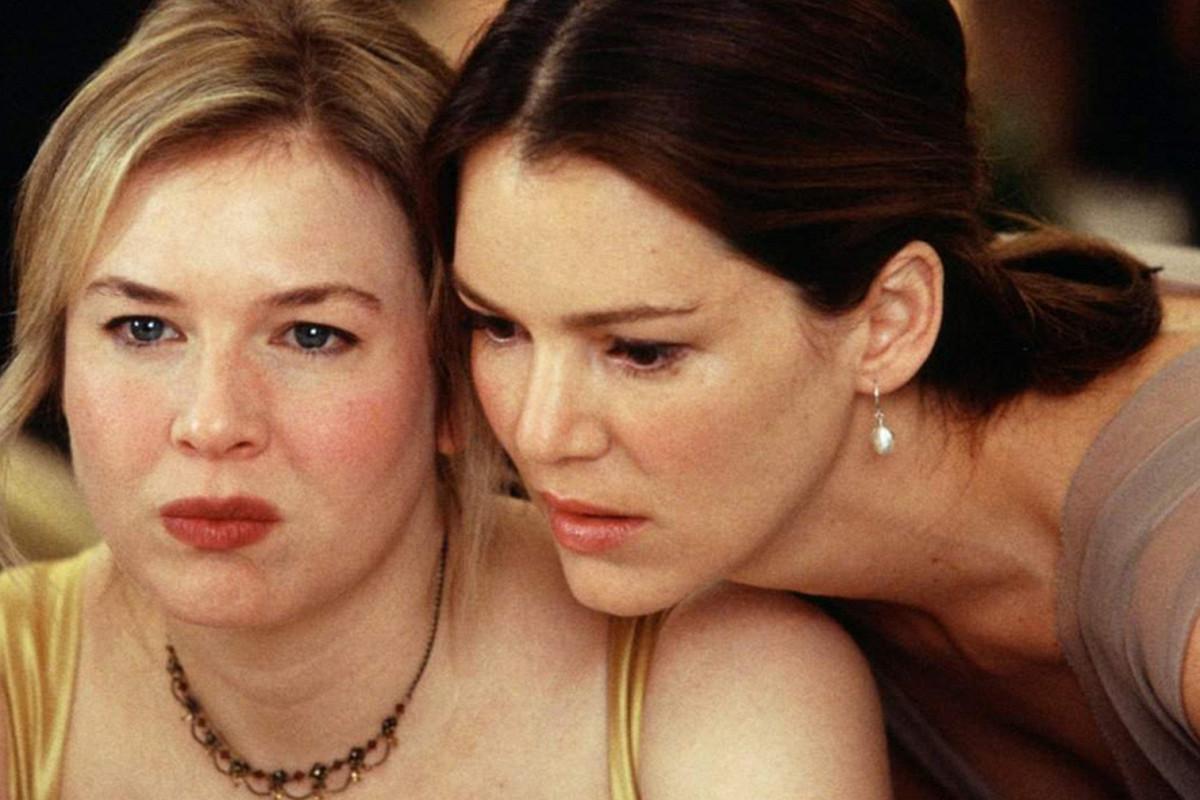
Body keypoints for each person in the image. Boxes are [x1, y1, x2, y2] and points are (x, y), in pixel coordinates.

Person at [0, 1, 890, 797]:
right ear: (59, 360)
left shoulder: (721, 680)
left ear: (455, 384)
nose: (213, 423)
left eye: (312, 336)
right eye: (143, 329)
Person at [424, 0, 1200, 797]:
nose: (540, 433)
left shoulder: (1179, 527)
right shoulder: (738, 547)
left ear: (892, 322)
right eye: (498, 326)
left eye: (642, 350)